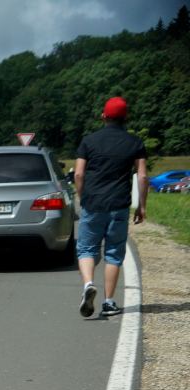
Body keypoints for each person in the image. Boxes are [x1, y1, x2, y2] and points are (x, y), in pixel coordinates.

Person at [75, 96, 148, 318]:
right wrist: (141, 207)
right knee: (114, 253)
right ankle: (108, 302)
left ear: (103, 116)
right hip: (119, 205)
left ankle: (88, 284)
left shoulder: (88, 141)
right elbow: (143, 176)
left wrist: (83, 197)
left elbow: (78, 173)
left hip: (93, 203)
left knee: (87, 249)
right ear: (126, 118)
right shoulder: (135, 143)